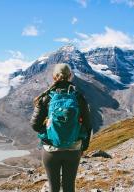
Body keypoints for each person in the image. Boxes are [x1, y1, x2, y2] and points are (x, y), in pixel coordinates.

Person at [30, 63, 92, 192]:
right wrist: (83, 147)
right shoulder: (78, 97)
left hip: (50, 150)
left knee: (54, 188)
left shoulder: (46, 97)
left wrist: (47, 132)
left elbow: (35, 125)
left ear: (54, 77)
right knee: (69, 187)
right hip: (73, 149)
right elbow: (88, 125)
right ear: (70, 76)